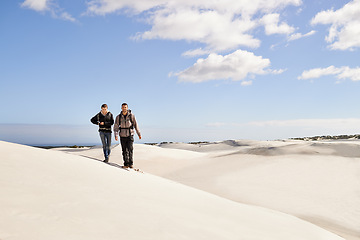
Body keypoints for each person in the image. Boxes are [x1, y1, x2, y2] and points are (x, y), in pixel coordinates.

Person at [114, 103, 141, 168]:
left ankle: (131, 163)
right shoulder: (118, 117)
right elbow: (116, 126)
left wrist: (139, 134)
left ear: (127, 108)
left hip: (130, 134)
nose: (124, 108)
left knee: (130, 149)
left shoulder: (131, 115)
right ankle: (126, 164)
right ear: (121, 108)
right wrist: (116, 135)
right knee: (124, 150)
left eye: (125, 107)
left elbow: (135, 125)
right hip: (122, 135)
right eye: (123, 107)